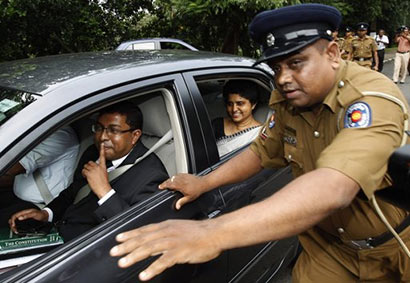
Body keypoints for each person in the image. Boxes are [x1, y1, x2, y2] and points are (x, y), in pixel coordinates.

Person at [110, 4, 410, 282]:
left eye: (296, 62)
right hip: (328, 249)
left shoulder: (369, 98)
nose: (283, 79)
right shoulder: (289, 100)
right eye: (277, 68)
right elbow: (261, 152)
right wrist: (204, 183)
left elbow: (335, 187)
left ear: (332, 53)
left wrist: (212, 233)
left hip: (394, 246)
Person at [9, 102, 168, 241]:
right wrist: (46, 214)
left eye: (114, 130)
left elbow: (142, 233)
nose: (103, 137)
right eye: (99, 128)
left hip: (92, 251)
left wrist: (104, 192)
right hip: (61, 234)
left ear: (135, 136)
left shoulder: (152, 175)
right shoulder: (93, 153)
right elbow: (73, 193)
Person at [0, 126, 79, 226]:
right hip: (18, 196)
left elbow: (13, 168)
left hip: (41, 207)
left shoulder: (60, 135)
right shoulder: (37, 130)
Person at [212, 80, 262, 156]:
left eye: (240, 103)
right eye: (230, 104)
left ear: (253, 104)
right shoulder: (217, 124)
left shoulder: (259, 134)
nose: (234, 109)